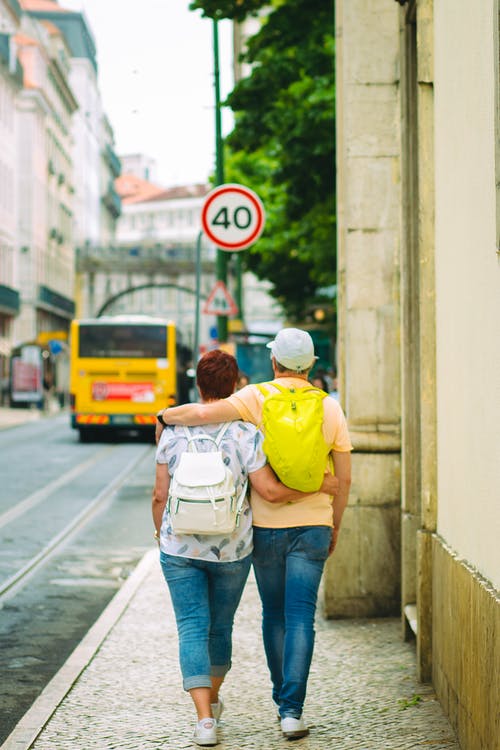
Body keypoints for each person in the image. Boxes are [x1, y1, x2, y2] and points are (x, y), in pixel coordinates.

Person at [155, 329, 352, 741]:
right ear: (312, 364)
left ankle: (236, 709)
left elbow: (200, 419)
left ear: (274, 363)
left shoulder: (255, 399)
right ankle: (290, 711)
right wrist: (333, 520)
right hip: (303, 527)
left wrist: (165, 415)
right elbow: (343, 480)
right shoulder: (330, 408)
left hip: (263, 529)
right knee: (299, 617)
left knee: (267, 615)